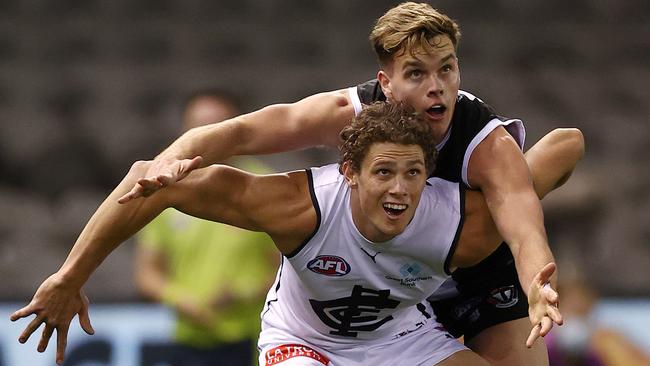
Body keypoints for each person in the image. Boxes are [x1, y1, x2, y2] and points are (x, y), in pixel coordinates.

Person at [117, 3, 584, 364]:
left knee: (547, 162)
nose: (437, 87)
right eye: (417, 73)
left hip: (481, 270)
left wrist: (536, 283)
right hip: (407, 284)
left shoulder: (486, 142)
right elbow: (239, 132)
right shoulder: (346, 116)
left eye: (447, 69)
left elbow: (523, 219)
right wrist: (168, 163)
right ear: (386, 83)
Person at [10, 102, 571, 365]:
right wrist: (70, 277)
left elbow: (565, 147)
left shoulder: (456, 222)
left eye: (413, 173)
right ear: (349, 173)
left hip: (398, 339)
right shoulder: (299, 206)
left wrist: (536, 280)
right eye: (382, 172)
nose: (399, 190)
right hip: (304, 342)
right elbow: (148, 184)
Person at [134, 90, 278, 365]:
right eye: (196, 126)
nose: (205, 134)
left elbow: (288, 269)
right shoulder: (165, 190)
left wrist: (244, 292)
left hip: (253, 339)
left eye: (216, 126)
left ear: (236, 128)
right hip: (188, 341)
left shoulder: (268, 185)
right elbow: (147, 274)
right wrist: (182, 299)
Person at [546, 275, 650, 366]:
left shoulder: (603, 343)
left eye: (583, 314)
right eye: (573, 311)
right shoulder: (542, 344)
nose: (577, 320)